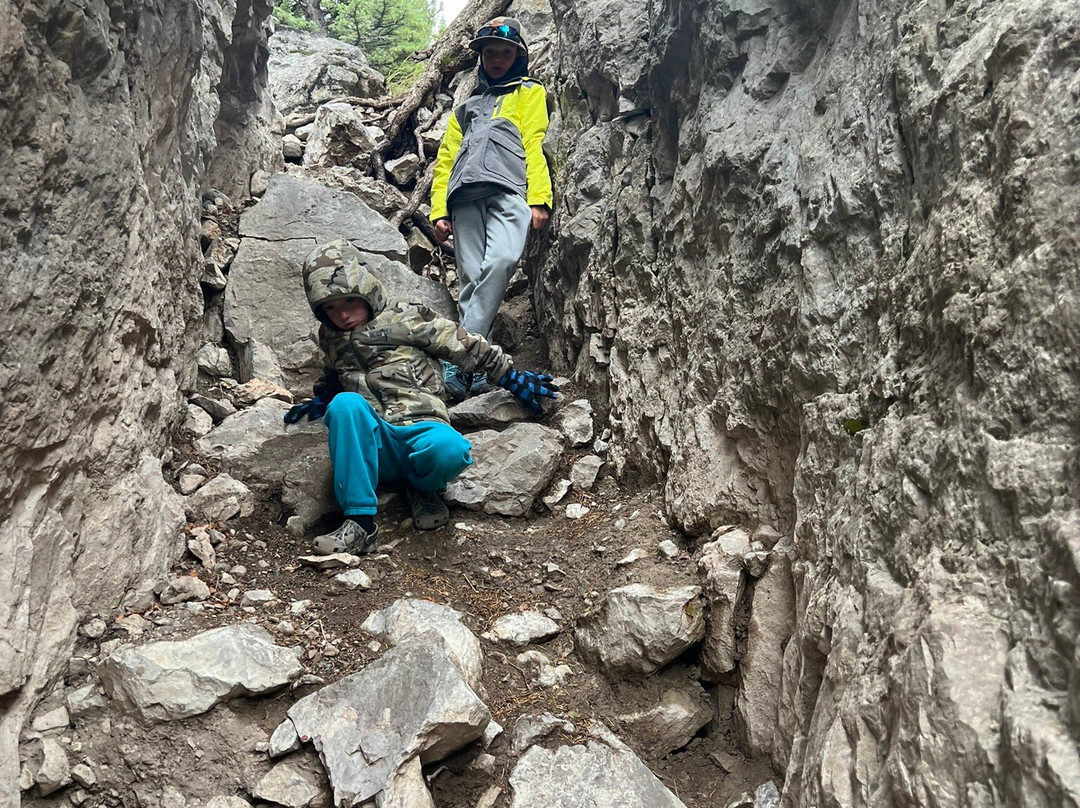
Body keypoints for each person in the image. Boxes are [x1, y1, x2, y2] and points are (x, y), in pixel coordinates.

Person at [285, 240, 559, 556]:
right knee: (345, 404)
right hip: (374, 442)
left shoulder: (406, 316)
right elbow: (334, 370)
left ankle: (424, 488)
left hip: (421, 428)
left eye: (349, 300)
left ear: (366, 288)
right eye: (331, 308)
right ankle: (360, 524)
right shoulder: (330, 336)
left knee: (451, 450)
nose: (343, 315)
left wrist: (509, 376)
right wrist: (324, 396)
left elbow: (460, 342)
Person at [430, 16, 553, 399]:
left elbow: (534, 141)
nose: (497, 59)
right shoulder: (465, 108)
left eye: (505, 53)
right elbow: (446, 159)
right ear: (481, 58)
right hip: (464, 196)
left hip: (509, 190)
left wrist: (539, 198)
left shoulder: (529, 93)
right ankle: (480, 367)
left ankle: (463, 355)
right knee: (470, 278)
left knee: (501, 261)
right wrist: (439, 209)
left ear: (518, 57)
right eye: (490, 53)